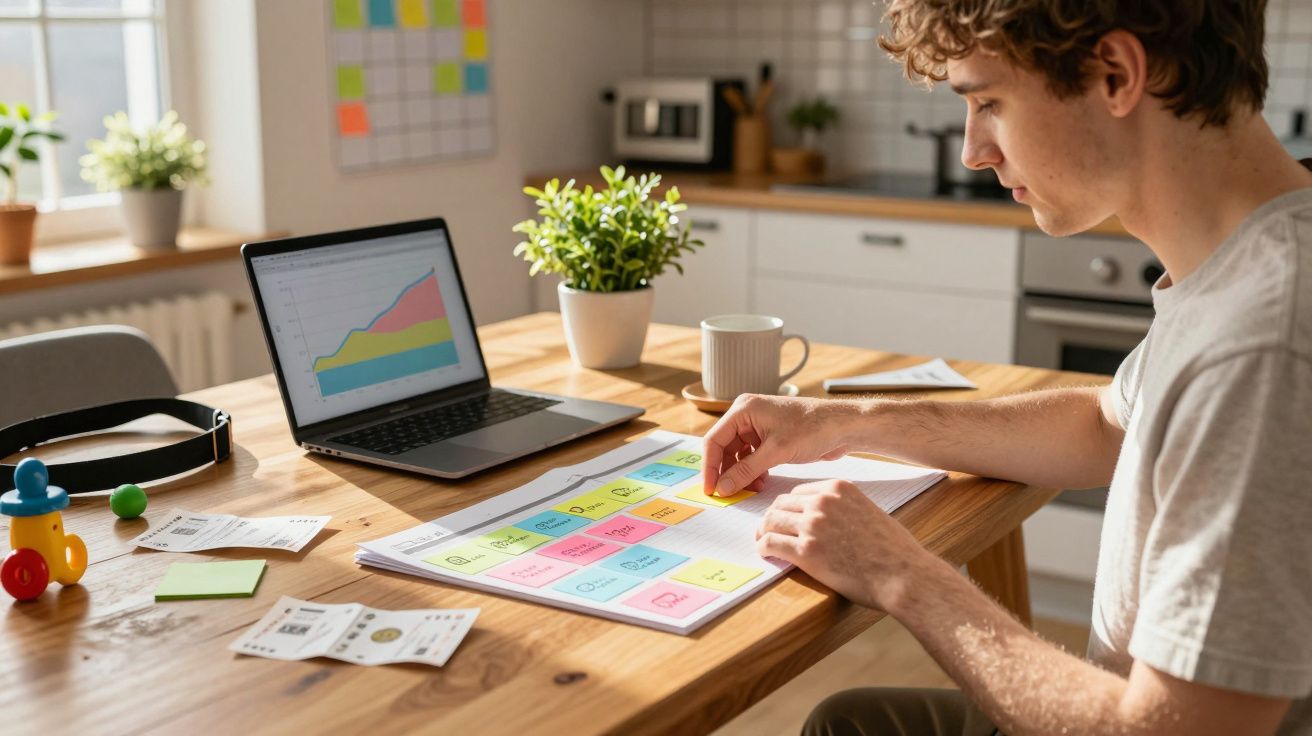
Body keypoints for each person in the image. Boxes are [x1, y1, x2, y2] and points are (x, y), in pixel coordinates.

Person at [701, 1, 1312, 734]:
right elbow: (1105, 425)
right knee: (853, 723)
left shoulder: (1264, 342)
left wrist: (901, 574)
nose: (973, 151)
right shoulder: (1247, 261)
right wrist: (842, 421)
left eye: (988, 102)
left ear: (1115, 75)